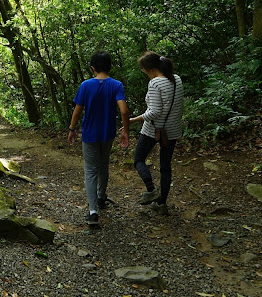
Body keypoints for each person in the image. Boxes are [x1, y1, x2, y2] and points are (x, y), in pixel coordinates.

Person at [68, 51, 130, 226]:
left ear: (92, 68)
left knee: (90, 169)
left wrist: (72, 129)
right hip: (108, 133)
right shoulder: (117, 85)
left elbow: (77, 110)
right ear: (111, 66)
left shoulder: (85, 85)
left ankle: (93, 211)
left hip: (89, 133)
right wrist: (126, 131)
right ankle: (101, 197)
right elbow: (124, 110)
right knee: (104, 164)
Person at [128, 51, 184, 215]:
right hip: (172, 130)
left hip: (153, 129)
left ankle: (151, 189)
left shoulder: (155, 83)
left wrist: (133, 120)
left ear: (150, 69)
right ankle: (162, 203)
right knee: (165, 167)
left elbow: (154, 111)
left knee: (138, 159)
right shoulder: (177, 79)